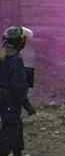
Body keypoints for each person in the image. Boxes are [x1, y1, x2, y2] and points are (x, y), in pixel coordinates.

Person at [0, 26, 34, 156]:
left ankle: (17, 152)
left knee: (16, 128)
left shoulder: (4, 56)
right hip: (10, 102)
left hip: (5, 101)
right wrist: (27, 105)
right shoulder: (15, 60)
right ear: (20, 42)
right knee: (9, 133)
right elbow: (18, 87)